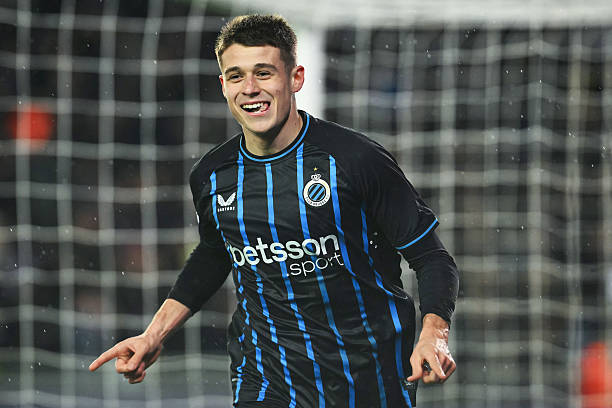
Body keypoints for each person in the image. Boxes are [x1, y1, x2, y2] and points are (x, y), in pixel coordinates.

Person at [89, 14, 459, 408]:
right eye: (236, 76)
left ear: (295, 78)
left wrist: (433, 333)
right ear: (224, 85)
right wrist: (153, 334)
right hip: (266, 377)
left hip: (367, 375)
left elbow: (432, 257)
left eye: (263, 73)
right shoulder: (212, 176)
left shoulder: (355, 160)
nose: (250, 88)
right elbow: (216, 253)